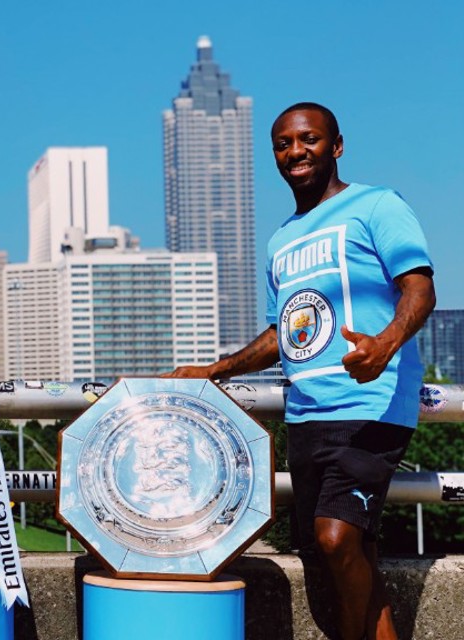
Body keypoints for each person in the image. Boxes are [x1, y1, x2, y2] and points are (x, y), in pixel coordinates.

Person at [165, 102, 436, 640]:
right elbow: (280, 333)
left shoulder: (377, 205)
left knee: (335, 538)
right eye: (283, 144)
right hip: (307, 414)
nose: (295, 152)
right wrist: (215, 370)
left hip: (371, 406)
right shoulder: (280, 241)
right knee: (342, 554)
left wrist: (384, 344)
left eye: (308, 140)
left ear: (336, 145)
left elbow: (420, 288)